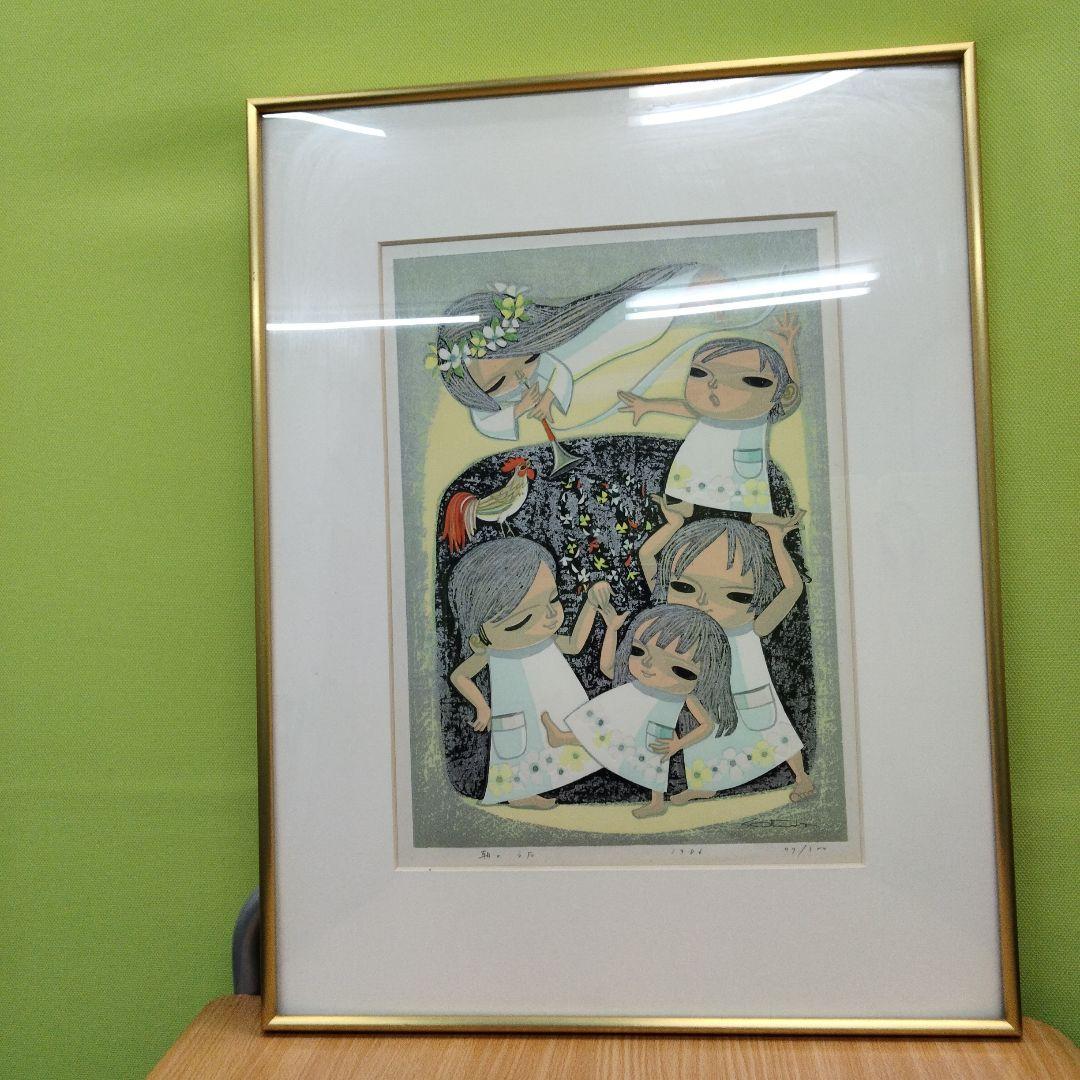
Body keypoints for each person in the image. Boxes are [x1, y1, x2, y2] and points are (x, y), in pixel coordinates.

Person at [647, 515, 815, 803]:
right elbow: (647, 557)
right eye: (685, 587)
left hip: (749, 690)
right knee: (705, 733)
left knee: (773, 729)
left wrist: (776, 540)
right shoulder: (685, 624)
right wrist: (673, 524)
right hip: (709, 695)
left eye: (736, 595)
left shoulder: (754, 626)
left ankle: (801, 776)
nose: (702, 602)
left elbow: (792, 589)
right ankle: (706, 783)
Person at [428, 266, 700, 441]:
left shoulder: (546, 355)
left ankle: (684, 283)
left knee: (633, 333)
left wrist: (548, 398)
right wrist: (520, 408)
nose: (522, 375)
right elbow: (485, 423)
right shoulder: (481, 407)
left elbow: (558, 369)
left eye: (530, 357)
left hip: (592, 369)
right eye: (498, 383)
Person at [447, 537, 613, 808]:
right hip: (518, 715)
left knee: (562, 748)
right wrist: (482, 707)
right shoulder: (493, 651)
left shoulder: (547, 640)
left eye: (553, 600)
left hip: (556, 705)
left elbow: (574, 644)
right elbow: (459, 675)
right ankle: (520, 794)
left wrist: (591, 604)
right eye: (522, 619)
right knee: (520, 753)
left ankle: (552, 782)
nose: (550, 615)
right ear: (479, 638)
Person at [542, 605, 736, 819]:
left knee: (653, 765)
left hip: (656, 732)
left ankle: (657, 802)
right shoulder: (635, 682)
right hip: (627, 723)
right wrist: (612, 630)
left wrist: (678, 744)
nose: (647, 664)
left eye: (679, 670)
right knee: (602, 734)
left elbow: (707, 725)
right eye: (638, 651)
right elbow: (607, 667)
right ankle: (564, 738)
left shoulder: (685, 696)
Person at [616, 313, 801, 516]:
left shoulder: (760, 417)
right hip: (699, 459)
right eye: (700, 373)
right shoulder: (706, 413)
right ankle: (685, 503)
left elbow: (790, 395)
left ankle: (757, 517)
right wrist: (647, 405)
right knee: (690, 480)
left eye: (753, 381)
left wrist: (788, 350)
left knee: (747, 495)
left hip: (741, 467)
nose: (713, 384)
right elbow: (683, 407)